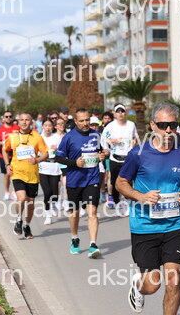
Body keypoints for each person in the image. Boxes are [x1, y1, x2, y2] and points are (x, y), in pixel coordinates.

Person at [115, 102, 180, 314]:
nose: (168, 130)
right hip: (144, 227)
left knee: (173, 282)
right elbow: (120, 183)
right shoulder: (138, 154)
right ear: (153, 125)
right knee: (152, 285)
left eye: (173, 125)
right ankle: (138, 286)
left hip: (174, 226)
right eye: (163, 125)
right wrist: (141, 197)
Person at [55, 108, 105, 258]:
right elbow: (59, 157)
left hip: (92, 178)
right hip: (74, 180)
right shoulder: (68, 137)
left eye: (87, 120)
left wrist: (102, 156)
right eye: (82, 121)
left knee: (92, 212)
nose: (85, 123)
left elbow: (100, 151)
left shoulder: (96, 135)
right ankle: (75, 238)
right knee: (75, 213)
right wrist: (74, 163)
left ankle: (93, 244)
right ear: (76, 121)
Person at [3, 112, 48, 240]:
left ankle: (27, 225)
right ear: (18, 122)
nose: (24, 122)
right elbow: (4, 150)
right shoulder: (13, 137)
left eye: (27, 120)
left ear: (31, 122)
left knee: (30, 203)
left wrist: (37, 160)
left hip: (32, 174)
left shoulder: (37, 137)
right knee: (21, 198)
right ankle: (18, 220)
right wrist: (7, 165)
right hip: (17, 172)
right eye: (22, 120)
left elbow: (46, 153)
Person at [101, 103, 139, 217]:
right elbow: (103, 139)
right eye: (118, 111)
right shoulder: (111, 126)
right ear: (115, 114)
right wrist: (112, 142)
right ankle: (117, 205)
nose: (121, 113)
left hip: (127, 158)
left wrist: (134, 142)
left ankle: (127, 205)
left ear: (125, 112)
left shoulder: (131, 125)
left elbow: (136, 137)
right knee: (115, 183)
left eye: (122, 111)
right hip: (115, 158)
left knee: (128, 182)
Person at [38, 118, 63, 225]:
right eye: (46, 125)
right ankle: (48, 215)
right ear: (42, 126)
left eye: (50, 125)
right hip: (43, 167)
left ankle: (53, 204)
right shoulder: (39, 137)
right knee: (47, 192)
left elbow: (63, 151)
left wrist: (57, 148)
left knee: (55, 193)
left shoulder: (57, 137)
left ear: (53, 127)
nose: (48, 128)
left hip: (54, 167)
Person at [0, 111, 20, 201]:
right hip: (4, 155)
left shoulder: (17, 128)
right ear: (3, 118)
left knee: (15, 174)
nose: (8, 118)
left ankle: (14, 192)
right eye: (6, 116)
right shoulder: (0, 129)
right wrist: (3, 143)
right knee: (6, 175)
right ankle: (6, 192)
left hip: (15, 155)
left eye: (10, 116)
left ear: (12, 117)